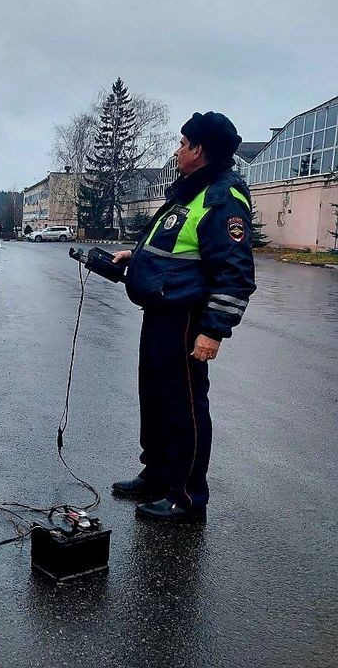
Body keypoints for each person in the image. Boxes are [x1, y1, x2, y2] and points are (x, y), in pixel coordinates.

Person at [111, 111, 256, 522]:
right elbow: (175, 248)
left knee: (184, 405)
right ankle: (158, 473)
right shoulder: (191, 191)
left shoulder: (223, 197)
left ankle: (188, 495)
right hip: (161, 312)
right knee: (155, 398)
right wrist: (133, 258)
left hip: (188, 317)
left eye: (182, 143)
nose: (177, 151)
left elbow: (235, 272)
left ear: (200, 150)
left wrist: (213, 331)